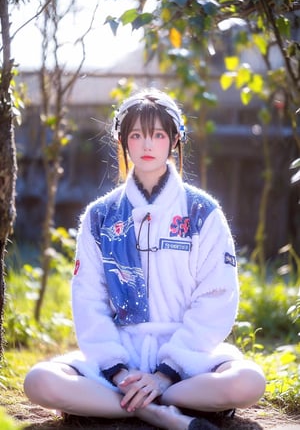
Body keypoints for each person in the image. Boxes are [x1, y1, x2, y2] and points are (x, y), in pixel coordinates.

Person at [24, 89, 266, 430]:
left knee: (248, 382)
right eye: (136, 135)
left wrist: (166, 374)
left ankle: (145, 400)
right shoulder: (101, 216)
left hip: (186, 360)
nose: (147, 145)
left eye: (157, 135)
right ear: (123, 142)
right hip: (120, 358)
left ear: (175, 140)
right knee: (39, 381)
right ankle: (154, 411)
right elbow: (88, 300)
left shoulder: (202, 213)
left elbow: (216, 297)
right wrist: (119, 370)